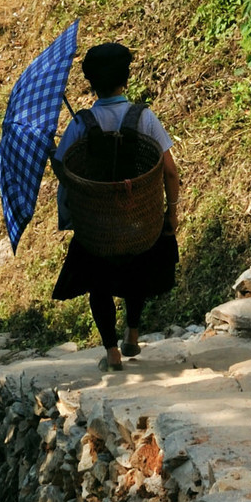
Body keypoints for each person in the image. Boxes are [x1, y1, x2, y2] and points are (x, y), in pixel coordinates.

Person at [50, 42, 180, 368]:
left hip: (97, 226)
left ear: (91, 83)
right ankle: (133, 335)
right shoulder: (144, 118)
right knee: (137, 272)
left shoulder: (81, 124)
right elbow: (170, 170)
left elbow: (63, 168)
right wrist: (172, 212)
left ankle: (111, 352)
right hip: (139, 219)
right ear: (127, 77)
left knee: (99, 284)